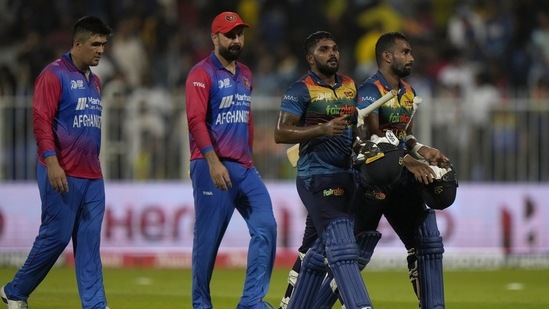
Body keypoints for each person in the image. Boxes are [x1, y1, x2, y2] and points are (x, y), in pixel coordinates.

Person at [0, 16, 112, 309]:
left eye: (103, 44)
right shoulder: (53, 74)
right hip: (61, 170)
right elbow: (41, 121)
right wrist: (51, 162)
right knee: (56, 237)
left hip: (92, 175)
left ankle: (96, 305)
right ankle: (15, 290)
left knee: (89, 245)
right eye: (95, 44)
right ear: (77, 44)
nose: (100, 50)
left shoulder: (96, 81)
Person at [184, 11, 277, 309]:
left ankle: (251, 302)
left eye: (240, 34)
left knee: (267, 227)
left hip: (244, 167)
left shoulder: (246, 74)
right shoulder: (201, 73)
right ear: (215, 38)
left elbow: (245, 119)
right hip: (211, 165)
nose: (236, 39)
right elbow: (195, 121)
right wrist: (212, 161)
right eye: (230, 34)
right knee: (208, 243)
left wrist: (248, 157)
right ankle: (201, 304)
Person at [274, 30, 373, 309]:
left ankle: (291, 306)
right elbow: (280, 133)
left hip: (348, 175)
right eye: (324, 49)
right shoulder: (300, 89)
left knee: (312, 252)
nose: (332, 54)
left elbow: (355, 130)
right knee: (343, 245)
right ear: (310, 57)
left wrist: (361, 142)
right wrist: (322, 129)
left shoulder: (350, 86)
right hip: (316, 177)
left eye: (335, 48)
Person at [352, 31, 451, 309]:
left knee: (425, 244)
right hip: (373, 179)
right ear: (387, 56)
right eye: (405, 52)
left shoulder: (409, 92)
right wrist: (409, 160)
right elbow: (373, 137)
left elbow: (405, 138)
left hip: (399, 178)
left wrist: (423, 151)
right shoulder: (370, 90)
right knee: (354, 255)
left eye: (410, 52)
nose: (411, 57)